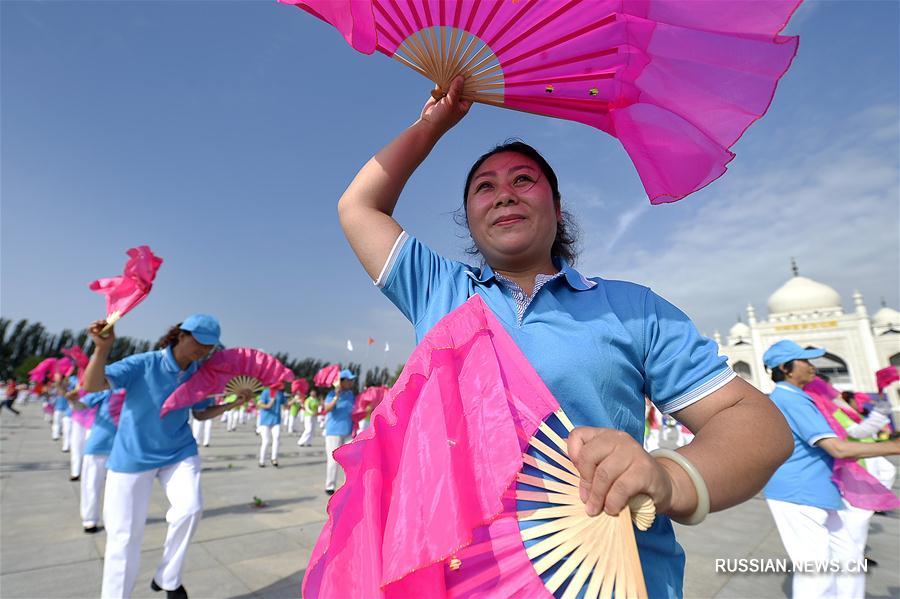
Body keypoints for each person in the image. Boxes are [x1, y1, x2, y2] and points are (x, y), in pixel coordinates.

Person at [335, 76, 794, 597]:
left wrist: (671, 479)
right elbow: (359, 207)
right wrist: (433, 124)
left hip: (611, 571)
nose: (503, 193)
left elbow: (757, 423)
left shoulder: (632, 307)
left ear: (557, 205)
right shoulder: (438, 291)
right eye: (484, 187)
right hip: (464, 575)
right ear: (469, 218)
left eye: (523, 180)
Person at [82, 314, 252, 599]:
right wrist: (101, 349)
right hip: (132, 457)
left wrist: (232, 403)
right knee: (124, 539)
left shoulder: (200, 374)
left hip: (178, 452)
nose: (203, 351)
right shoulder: (143, 364)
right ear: (180, 335)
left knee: (191, 508)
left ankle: (167, 578)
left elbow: (200, 412)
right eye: (199, 343)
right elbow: (92, 385)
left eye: (209, 347)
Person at [761, 340, 900, 599]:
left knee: (848, 558)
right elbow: (837, 448)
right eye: (806, 361)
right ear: (786, 368)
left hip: (821, 490)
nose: (813, 367)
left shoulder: (799, 397)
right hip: (798, 493)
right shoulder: (790, 399)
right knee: (816, 570)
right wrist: (894, 447)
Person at [79, 388, 122, 533]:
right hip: (98, 447)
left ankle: (114, 519)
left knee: (118, 489)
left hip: (123, 449)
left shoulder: (138, 391)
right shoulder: (106, 391)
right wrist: (72, 398)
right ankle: (90, 519)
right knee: (91, 484)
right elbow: (81, 406)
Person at [322, 372, 355, 494]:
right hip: (333, 432)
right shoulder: (332, 394)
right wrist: (336, 396)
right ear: (342, 381)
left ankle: (352, 483)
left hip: (348, 431)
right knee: (333, 460)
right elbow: (327, 409)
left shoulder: (351, 395)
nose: (352, 382)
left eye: (352, 380)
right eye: (349, 380)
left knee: (353, 458)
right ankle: (330, 486)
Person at [257, 385, 284, 467]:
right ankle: (262, 461)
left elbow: (286, 404)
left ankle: (274, 458)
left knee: (277, 438)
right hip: (265, 420)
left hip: (276, 420)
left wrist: (295, 399)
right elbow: (260, 404)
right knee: (266, 441)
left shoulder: (280, 393)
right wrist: (270, 403)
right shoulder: (265, 392)